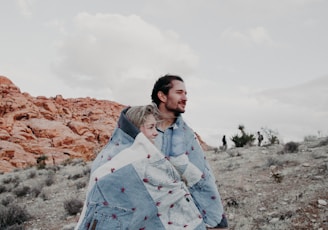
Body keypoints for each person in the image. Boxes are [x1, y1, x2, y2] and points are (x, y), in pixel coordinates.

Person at [76, 104, 207, 229]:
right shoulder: (113, 162)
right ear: (135, 130)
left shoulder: (150, 158)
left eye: (156, 127)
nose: (156, 133)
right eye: (150, 127)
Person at [151, 74, 228, 229]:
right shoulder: (141, 128)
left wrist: (214, 215)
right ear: (162, 96)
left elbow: (202, 176)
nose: (185, 98)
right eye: (179, 92)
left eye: (186, 93)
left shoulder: (185, 134)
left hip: (185, 209)